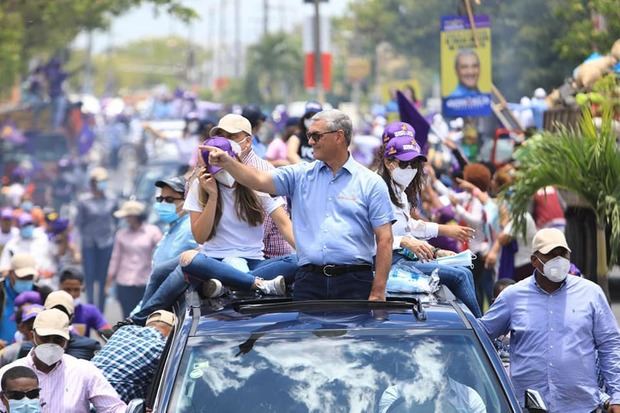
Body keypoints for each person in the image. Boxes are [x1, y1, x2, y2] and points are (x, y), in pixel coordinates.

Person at [201, 109, 395, 301]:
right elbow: (259, 179)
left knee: (352, 332)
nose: (310, 142)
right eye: (309, 136)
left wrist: (378, 291)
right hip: (309, 280)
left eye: (316, 136)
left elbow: (385, 239)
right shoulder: (300, 175)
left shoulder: (371, 183)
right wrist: (227, 162)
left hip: (354, 281)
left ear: (339, 137)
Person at [479, 228, 620, 413]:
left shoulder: (591, 293)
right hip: (527, 408)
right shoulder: (513, 297)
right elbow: (481, 334)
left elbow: (609, 345)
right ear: (535, 261)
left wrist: (616, 396)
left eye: (563, 253)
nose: (559, 259)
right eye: (551, 255)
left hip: (581, 408)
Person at [378, 123, 481, 317]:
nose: (410, 170)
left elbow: (408, 227)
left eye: (414, 165)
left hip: (404, 258)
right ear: (389, 162)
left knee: (464, 270)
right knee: (459, 276)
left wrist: (437, 247)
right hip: (389, 263)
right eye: (404, 164)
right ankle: (484, 331)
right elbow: (370, 235)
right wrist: (406, 242)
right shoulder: (377, 189)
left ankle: (481, 330)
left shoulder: (398, 191)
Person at [180, 136, 297, 296]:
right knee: (188, 258)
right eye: (217, 170)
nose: (223, 173)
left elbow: (284, 224)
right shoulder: (199, 187)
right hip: (217, 261)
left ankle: (230, 284)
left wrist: (307, 253)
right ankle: (259, 284)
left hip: (255, 262)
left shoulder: (256, 181)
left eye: (225, 166)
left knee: (298, 260)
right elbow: (200, 237)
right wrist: (212, 196)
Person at [0, 309, 126, 412]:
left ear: (67, 340)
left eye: (57, 339)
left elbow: (113, 408)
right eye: (45, 338)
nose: (51, 344)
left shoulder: (83, 371)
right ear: (33, 335)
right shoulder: (6, 374)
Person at [209, 114, 293, 258]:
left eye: (231, 136)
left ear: (247, 142)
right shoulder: (216, 166)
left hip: (265, 256)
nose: (224, 141)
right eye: (221, 136)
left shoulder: (262, 172)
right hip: (225, 250)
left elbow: (257, 230)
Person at [128, 176, 198, 319]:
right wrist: (139, 310)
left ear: (187, 201)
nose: (163, 204)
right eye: (161, 199)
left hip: (172, 310)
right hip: (154, 305)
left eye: (170, 200)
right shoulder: (171, 229)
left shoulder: (191, 228)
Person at [92, 310, 176, 403]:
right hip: (108, 406)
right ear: (172, 332)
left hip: (82, 394)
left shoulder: (123, 331)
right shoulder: (161, 348)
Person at [106, 200, 162, 318]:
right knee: (127, 316)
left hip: (145, 281)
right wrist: (109, 280)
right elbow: (115, 258)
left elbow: (161, 253)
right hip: (124, 282)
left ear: (135, 216)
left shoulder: (152, 232)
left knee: (144, 316)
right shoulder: (121, 234)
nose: (126, 219)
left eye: (128, 216)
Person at [75, 167, 117, 311]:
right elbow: (78, 224)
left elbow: (116, 220)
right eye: (100, 182)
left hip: (106, 243)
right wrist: (77, 248)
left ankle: (101, 308)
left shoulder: (112, 199)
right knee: (90, 276)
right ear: (93, 183)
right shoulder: (84, 201)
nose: (103, 184)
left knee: (104, 276)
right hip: (89, 243)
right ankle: (91, 307)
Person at [43, 291, 101, 361]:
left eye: (63, 313)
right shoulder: (30, 350)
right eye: (53, 312)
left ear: (71, 318)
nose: (57, 317)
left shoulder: (90, 347)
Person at [58, 267, 111, 337]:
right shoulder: (50, 311)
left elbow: (107, 331)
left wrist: (107, 332)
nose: (72, 294)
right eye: (67, 289)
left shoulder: (90, 311)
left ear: (82, 289)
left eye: (76, 290)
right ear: (59, 287)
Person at [0, 255, 40, 344]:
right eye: (22, 277)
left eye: (29, 277)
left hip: (29, 351)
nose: (26, 281)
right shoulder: (1, 289)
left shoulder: (41, 292)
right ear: (11, 273)